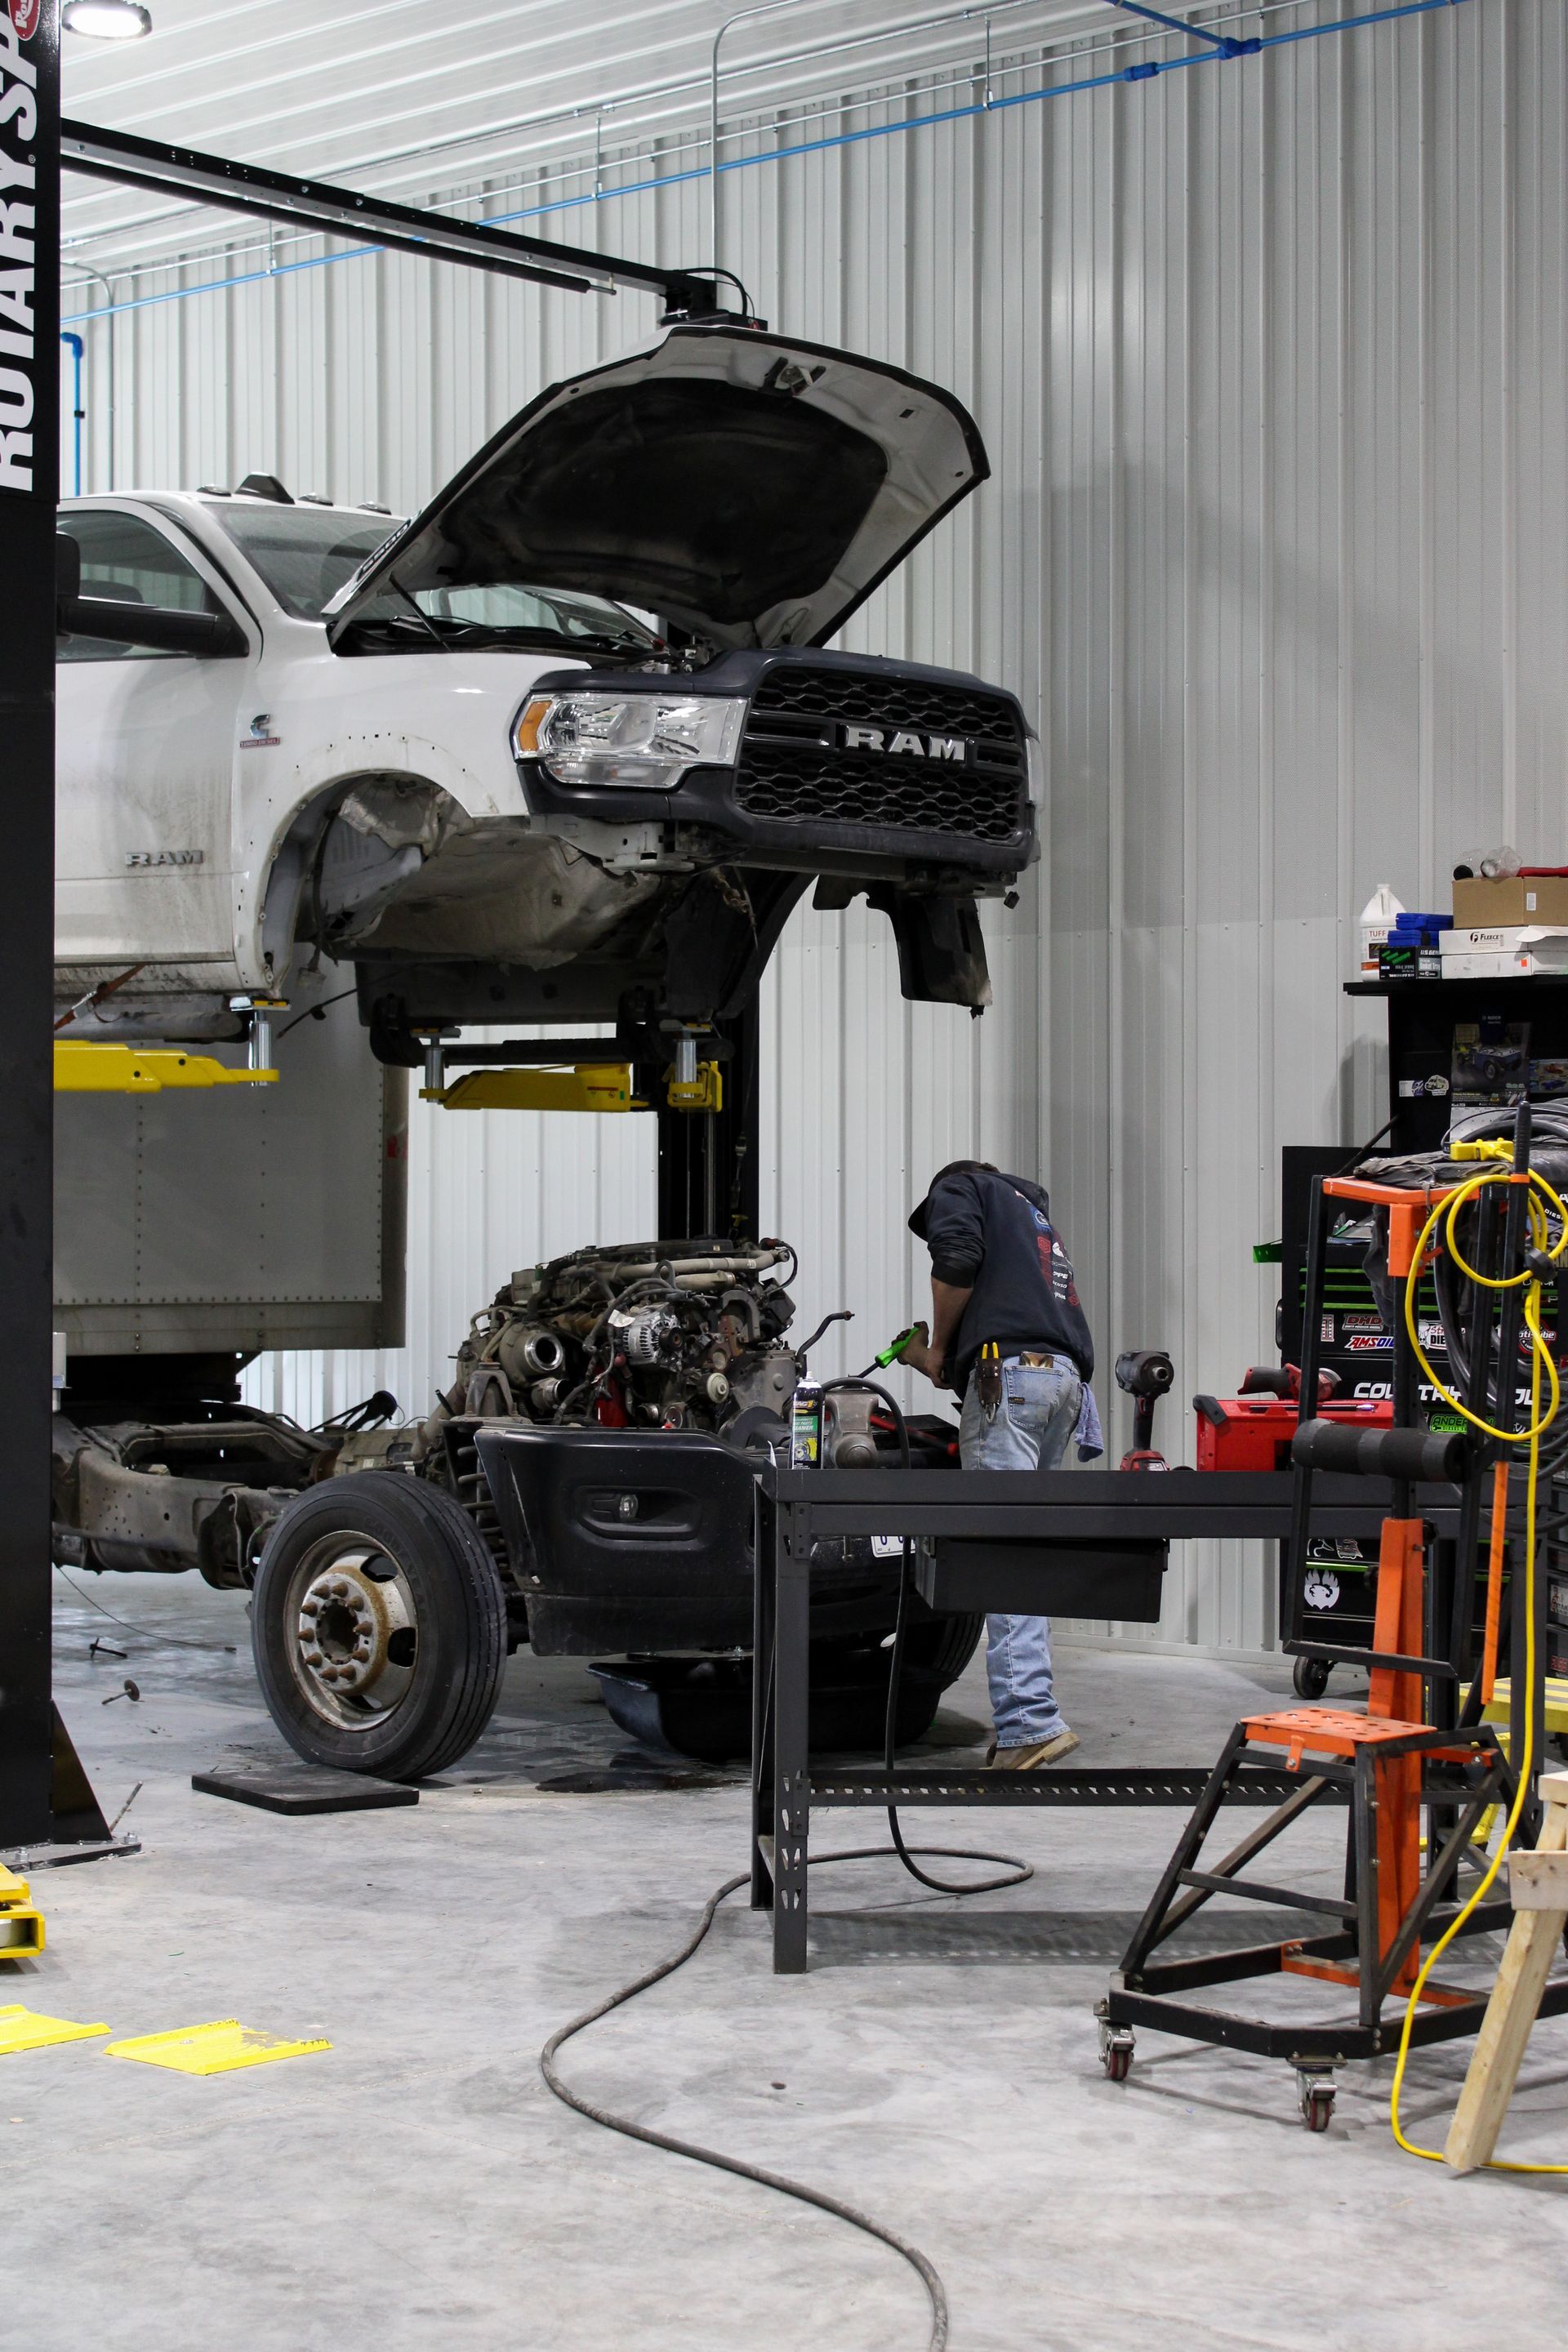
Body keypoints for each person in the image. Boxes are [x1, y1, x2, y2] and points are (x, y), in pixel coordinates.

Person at [903, 1160, 1095, 1770]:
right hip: (1060, 1383)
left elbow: (955, 1259)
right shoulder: (1033, 1218)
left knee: (999, 1552)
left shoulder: (961, 1185)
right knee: (1023, 1550)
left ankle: (1029, 1724)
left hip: (1007, 1378)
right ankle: (1031, 1714)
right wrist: (938, 1360)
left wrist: (935, 1347)